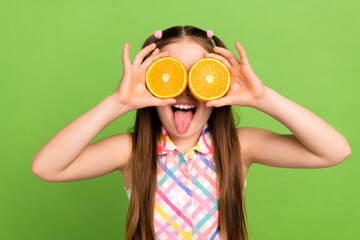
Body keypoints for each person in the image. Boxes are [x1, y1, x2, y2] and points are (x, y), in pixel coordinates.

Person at [31, 25, 351, 240]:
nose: (185, 92)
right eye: (169, 76)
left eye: (199, 76)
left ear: (218, 84)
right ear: (149, 84)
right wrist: (118, 102)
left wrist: (262, 97)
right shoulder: (131, 152)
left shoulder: (239, 147)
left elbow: (334, 151)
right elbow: (46, 167)